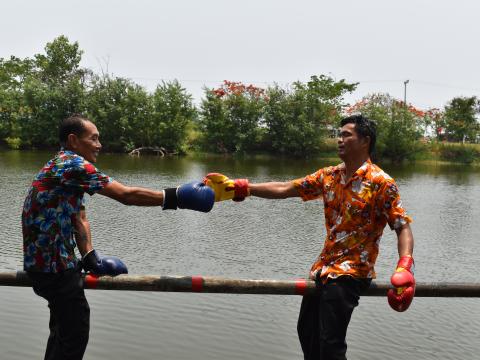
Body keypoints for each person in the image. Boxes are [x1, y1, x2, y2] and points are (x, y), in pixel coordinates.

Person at [203, 114, 415, 360]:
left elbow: (402, 226)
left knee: (330, 345)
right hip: (322, 270)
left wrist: (405, 266)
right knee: (307, 335)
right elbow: (285, 188)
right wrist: (240, 188)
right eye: (339, 134)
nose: (339, 140)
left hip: (351, 274)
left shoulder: (381, 183)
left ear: (365, 141)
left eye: (347, 135)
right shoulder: (329, 176)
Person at [22, 114, 214, 360]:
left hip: (49, 267)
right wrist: (176, 196)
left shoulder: (61, 166)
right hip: (54, 270)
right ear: (73, 140)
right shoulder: (73, 165)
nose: (100, 145)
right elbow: (126, 195)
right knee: (74, 336)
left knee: (61, 334)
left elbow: (78, 216)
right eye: (94, 138)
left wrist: (89, 255)